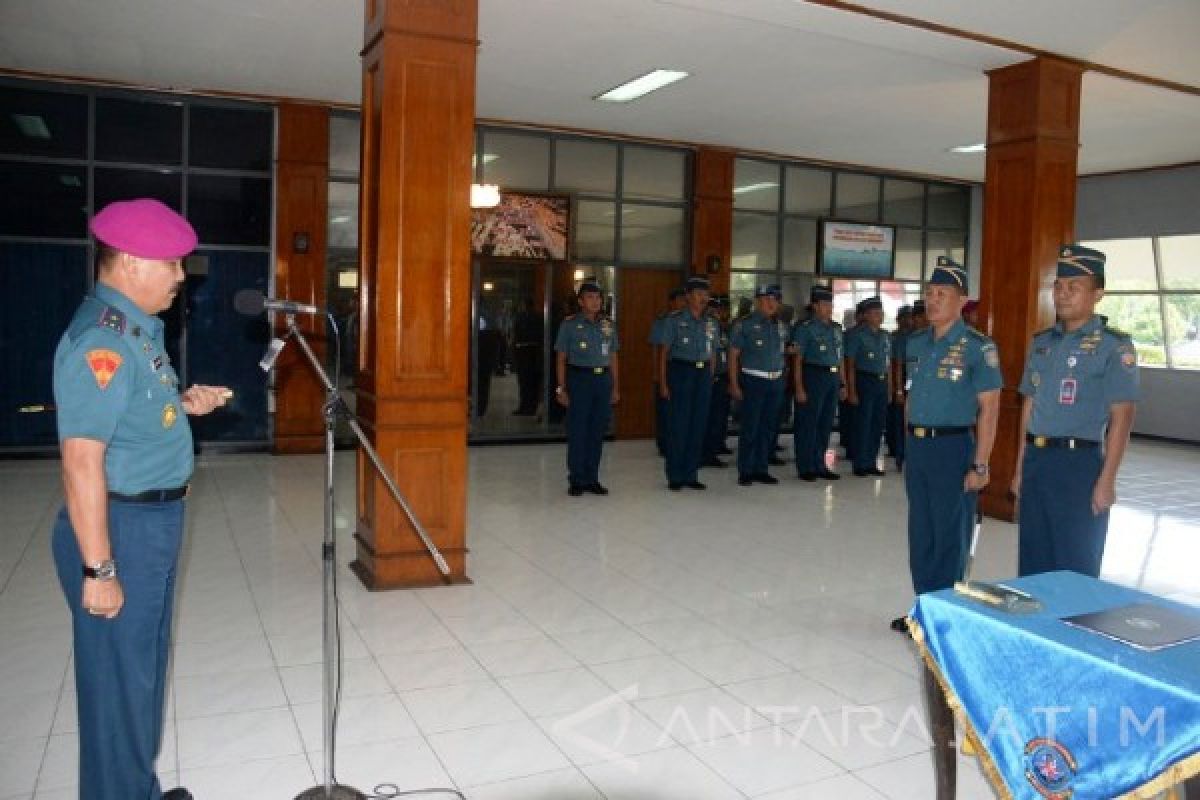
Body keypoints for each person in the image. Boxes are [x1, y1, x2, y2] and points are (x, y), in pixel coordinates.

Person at [52, 198, 230, 800]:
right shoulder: (98, 345)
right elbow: (80, 460)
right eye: (173, 264)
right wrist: (99, 568)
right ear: (129, 261)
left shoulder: (133, 331)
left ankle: (138, 791)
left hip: (146, 522)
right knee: (117, 689)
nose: (182, 277)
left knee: (138, 678)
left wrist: (183, 406)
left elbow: (128, 417)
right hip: (120, 527)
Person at [1012, 244, 1139, 578]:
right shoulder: (1042, 342)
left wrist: (1107, 480)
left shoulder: (1114, 346)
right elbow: (1029, 406)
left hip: (1078, 466)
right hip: (1038, 460)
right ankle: (1037, 628)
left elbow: (1122, 417)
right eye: (1059, 286)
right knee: (1034, 558)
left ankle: (1073, 628)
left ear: (1098, 293)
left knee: (1076, 561)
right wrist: (1019, 468)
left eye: (1074, 287)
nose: (1063, 294)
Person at [891, 257, 1002, 633]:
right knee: (921, 531)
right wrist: (907, 446)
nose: (933, 300)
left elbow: (990, 407)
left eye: (942, 294)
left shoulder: (977, 347)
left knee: (950, 534)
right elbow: (910, 397)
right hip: (919, 447)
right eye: (929, 293)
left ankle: (946, 612)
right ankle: (922, 608)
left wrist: (981, 464)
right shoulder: (917, 342)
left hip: (954, 449)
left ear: (962, 300)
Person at [554, 279, 620, 496]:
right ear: (581, 302)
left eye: (598, 297)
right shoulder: (569, 325)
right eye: (590, 297)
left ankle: (592, 478)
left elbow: (613, 357)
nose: (595, 301)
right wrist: (561, 389)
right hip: (579, 379)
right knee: (578, 431)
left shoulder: (608, 325)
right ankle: (576, 478)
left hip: (602, 381)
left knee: (596, 431)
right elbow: (561, 359)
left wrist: (615, 387)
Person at [659, 276, 716, 490]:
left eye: (706, 294)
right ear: (688, 296)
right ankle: (675, 475)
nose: (704, 298)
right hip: (681, 372)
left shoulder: (710, 322)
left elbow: (712, 353)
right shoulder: (674, 320)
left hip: (702, 375)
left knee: (698, 425)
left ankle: (691, 474)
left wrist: (709, 378)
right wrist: (664, 384)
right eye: (699, 294)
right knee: (679, 426)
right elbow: (664, 353)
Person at [729, 284, 788, 486]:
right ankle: (746, 470)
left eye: (775, 300)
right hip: (753, 380)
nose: (771, 303)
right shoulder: (744, 324)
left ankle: (761, 468)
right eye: (766, 299)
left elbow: (783, 352)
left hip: (775, 381)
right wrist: (734, 384)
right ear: (757, 302)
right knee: (750, 427)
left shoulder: (780, 326)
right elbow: (734, 355)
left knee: (769, 428)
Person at [791, 285, 845, 481]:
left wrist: (842, 384)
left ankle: (820, 463)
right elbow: (797, 359)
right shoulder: (805, 329)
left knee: (825, 424)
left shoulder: (837, 329)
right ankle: (805, 466)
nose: (828, 307)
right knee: (808, 423)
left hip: (832, 378)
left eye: (830, 303)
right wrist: (798, 387)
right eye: (824, 304)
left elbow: (840, 359)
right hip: (813, 375)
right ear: (815, 306)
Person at [844, 296, 891, 477]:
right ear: (866, 315)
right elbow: (850, 363)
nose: (879, 316)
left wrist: (889, 389)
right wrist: (852, 389)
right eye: (875, 313)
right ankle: (860, 463)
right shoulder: (857, 335)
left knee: (877, 425)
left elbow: (888, 365)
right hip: (864, 380)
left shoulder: (885, 336)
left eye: (880, 313)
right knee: (863, 424)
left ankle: (871, 461)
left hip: (881, 381)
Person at [649, 287, 687, 457]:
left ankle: (678, 442)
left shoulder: (689, 320)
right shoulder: (663, 321)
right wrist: (657, 373)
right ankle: (664, 443)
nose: (682, 303)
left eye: (684, 300)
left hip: (682, 371)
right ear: (671, 302)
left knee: (680, 410)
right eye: (679, 300)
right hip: (667, 368)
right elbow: (657, 349)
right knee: (665, 410)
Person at [702, 294, 733, 468]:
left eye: (718, 309)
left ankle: (715, 448)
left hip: (722, 378)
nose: (716, 312)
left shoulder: (723, 330)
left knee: (719, 417)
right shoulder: (704, 329)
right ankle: (705, 453)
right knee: (708, 418)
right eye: (713, 309)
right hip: (708, 378)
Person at [886, 306, 914, 470]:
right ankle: (899, 455)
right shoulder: (901, 339)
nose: (910, 321)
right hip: (904, 380)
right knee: (900, 421)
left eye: (912, 317)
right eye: (908, 317)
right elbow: (897, 365)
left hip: (920, 381)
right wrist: (897, 389)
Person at [839, 302, 864, 463]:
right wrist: (846, 385)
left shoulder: (880, 335)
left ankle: (858, 450)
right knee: (852, 417)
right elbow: (847, 361)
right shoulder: (850, 334)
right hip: (854, 378)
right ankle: (851, 446)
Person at [512, 297, 544, 415]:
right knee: (534, 381)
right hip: (536, 352)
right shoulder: (540, 317)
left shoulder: (520, 317)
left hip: (523, 351)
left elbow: (516, 334)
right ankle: (532, 407)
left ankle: (525, 406)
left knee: (524, 381)